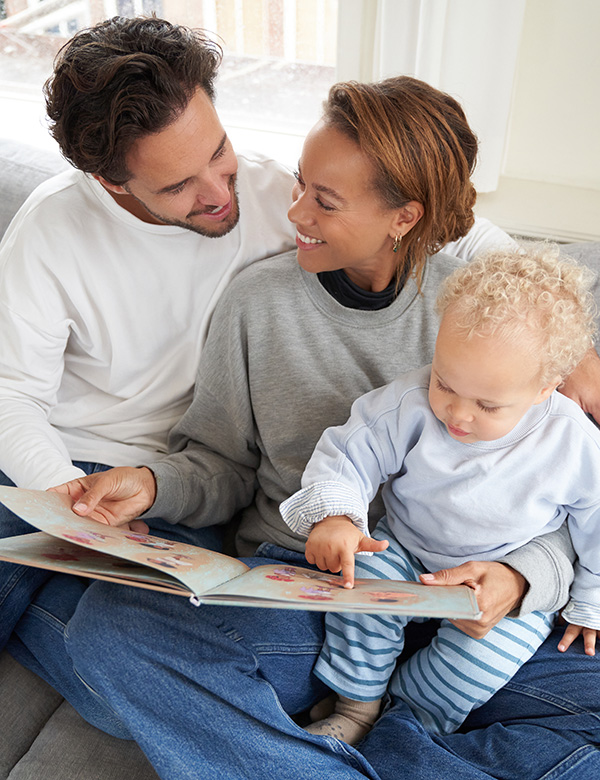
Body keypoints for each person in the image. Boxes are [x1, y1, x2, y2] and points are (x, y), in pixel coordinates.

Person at [20, 75, 595, 780]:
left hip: (477, 614)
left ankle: (375, 749)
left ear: (404, 217)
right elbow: (220, 466)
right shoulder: (258, 304)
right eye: (299, 185)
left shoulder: (486, 323)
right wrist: (151, 483)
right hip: (311, 594)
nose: (292, 212)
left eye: (323, 200)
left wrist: (521, 574)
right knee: (119, 635)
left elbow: (573, 489)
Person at [0, 15, 514, 652]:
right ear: (110, 180)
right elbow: (13, 397)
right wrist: (68, 503)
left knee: (125, 641)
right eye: (179, 184)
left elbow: (440, 217)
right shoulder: (51, 230)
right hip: (63, 463)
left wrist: (568, 352)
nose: (218, 192)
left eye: (219, 151)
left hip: (181, 481)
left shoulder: (278, 195)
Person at [280, 245, 599, 743]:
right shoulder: (408, 403)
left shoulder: (574, 443)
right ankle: (357, 706)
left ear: (546, 388)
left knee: (479, 662)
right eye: (444, 383)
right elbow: (350, 451)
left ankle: (407, 720)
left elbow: (596, 524)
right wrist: (337, 516)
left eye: (488, 405)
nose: (457, 415)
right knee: (359, 592)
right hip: (404, 550)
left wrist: (591, 602)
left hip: (502, 575)